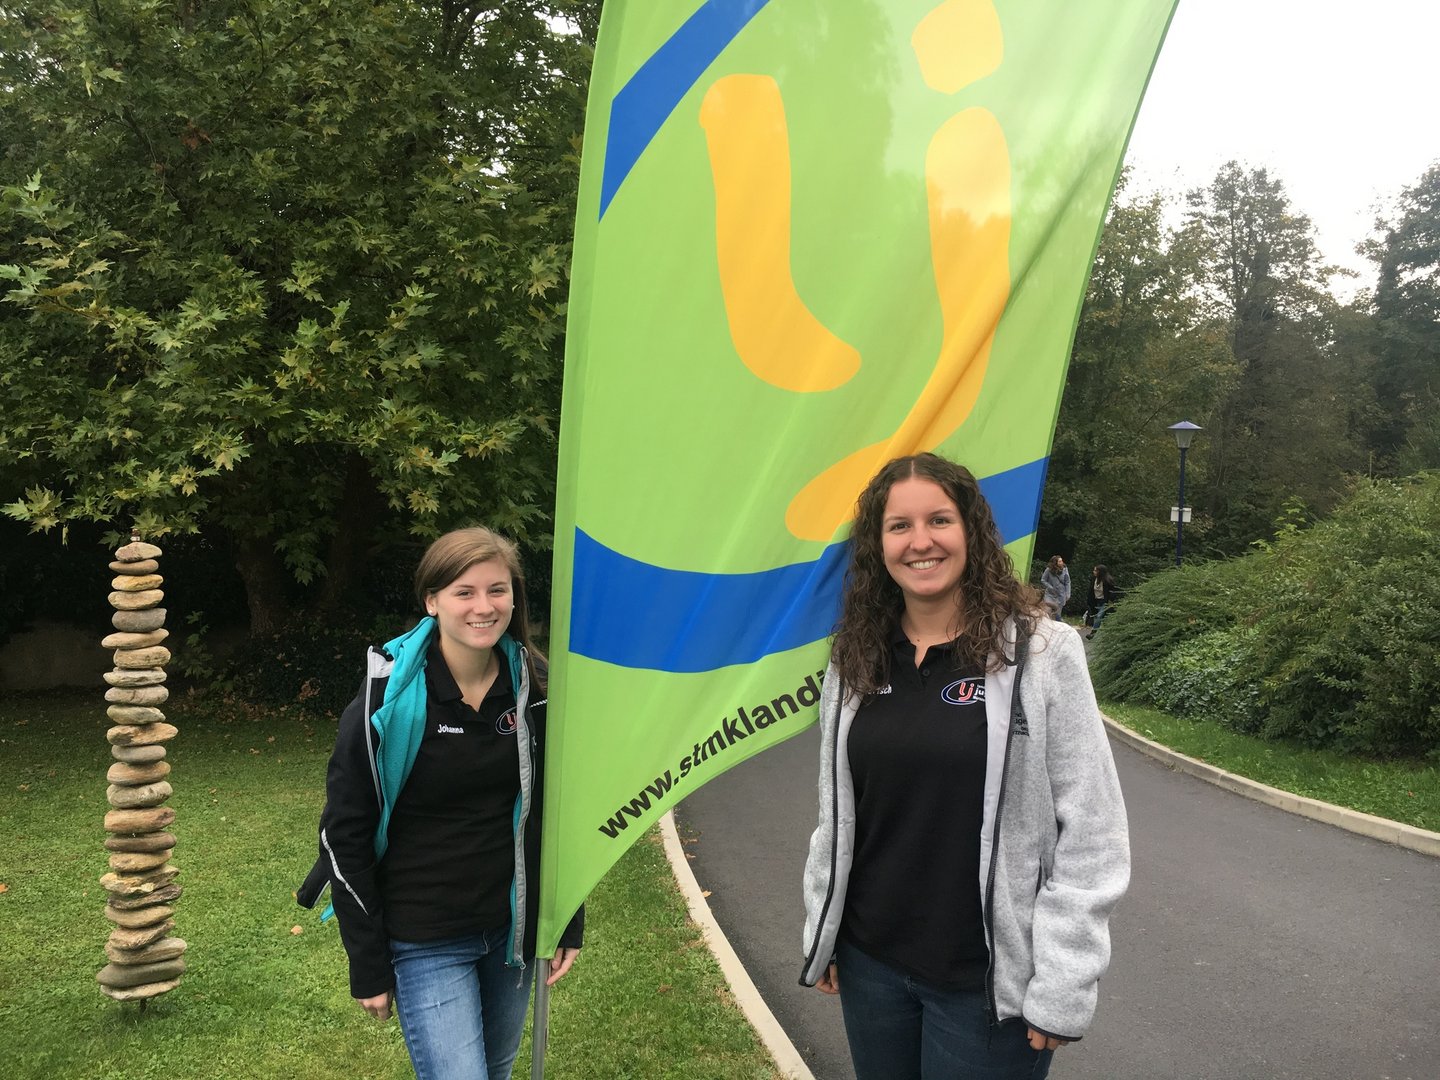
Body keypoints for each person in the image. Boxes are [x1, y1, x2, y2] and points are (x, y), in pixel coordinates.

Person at [800, 453, 1129, 1080]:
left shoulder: (1041, 652)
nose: (920, 540)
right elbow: (836, 809)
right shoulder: (854, 657)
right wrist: (826, 923)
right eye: (899, 526)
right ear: (877, 545)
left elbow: (1093, 830)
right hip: (871, 966)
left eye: (939, 520)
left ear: (970, 531)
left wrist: (1064, 980)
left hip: (986, 987)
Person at [298, 526, 583, 1080]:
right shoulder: (387, 697)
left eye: (497, 590)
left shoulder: (537, 690)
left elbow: (558, 814)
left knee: (495, 1072)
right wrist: (367, 961)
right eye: (464, 592)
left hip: (511, 933)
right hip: (424, 936)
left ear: (514, 598)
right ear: (432, 601)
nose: (484, 606)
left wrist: (565, 919)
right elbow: (343, 832)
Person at [1085, 564, 1118, 639]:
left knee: (1099, 616)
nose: (1094, 572)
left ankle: (1092, 633)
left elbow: (1113, 591)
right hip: (1096, 601)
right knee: (1100, 617)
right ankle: (1110, 633)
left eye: (1095, 570)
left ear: (1100, 572)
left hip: (1105, 601)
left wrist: (1111, 600)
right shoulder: (1094, 579)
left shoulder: (1107, 580)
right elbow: (1091, 591)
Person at [1040, 554, 1070, 621]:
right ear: (1055, 563)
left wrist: (1068, 594)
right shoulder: (1049, 570)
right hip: (1050, 594)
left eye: (1062, 561)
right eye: (1060, 561)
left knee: (1057, 615)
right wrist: (1050, 587)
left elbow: (1067, 582)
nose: (1062, 562)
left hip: (1060, 595)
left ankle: (1056, 623)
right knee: (1047, 611)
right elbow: (1043, 580)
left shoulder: (1065, 569)